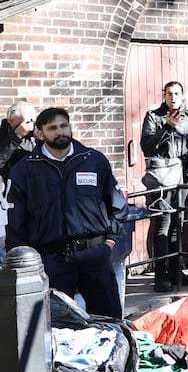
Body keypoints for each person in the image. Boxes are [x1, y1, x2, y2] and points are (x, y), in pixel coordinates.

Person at [5, 107, 128, 317]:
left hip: (95, 255)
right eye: (52, 128)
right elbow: (16, 222)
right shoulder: (24, 170)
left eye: (64, 126)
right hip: (51, 261)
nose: (60, 132)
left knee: (110, 322)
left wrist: (109, 243)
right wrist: (28, 264)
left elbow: (117, 206)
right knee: (57, 328)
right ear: (39, 133)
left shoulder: (94, 160)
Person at [141, 81, 188, 291]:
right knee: (162, 224)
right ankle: (160, 275)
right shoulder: (154, 116)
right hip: (162, 177)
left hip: (182, 177)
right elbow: (146, 146)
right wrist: (167, 127)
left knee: (178, 224)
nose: (173, 97)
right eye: (169, 94)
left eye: (177, 93)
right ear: (163, 96)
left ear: (183, 95)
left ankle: (177, 271)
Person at [0, 100, 37, 185]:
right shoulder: (2, 135)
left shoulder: (35, 135)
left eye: (31, 121)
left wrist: (41, 140)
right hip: (8, 185)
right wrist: (16, 136)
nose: (29, 125)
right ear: (11, 121)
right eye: (25, 122)